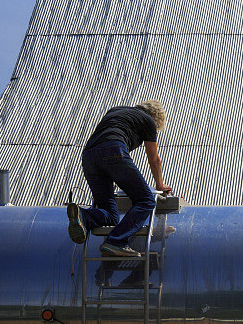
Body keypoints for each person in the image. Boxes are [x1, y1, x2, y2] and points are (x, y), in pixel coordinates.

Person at [67, 100, 173, 257]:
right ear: (154, 117)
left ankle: (84, 215)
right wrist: (159, 185)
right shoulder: (148, 120)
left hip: (89, 156)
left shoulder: (115, 110)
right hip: (113, 150)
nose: (155, 130)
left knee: (110, 215)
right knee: (146, 201)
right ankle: (116, 242)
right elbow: (154, 159)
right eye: (157, 128)